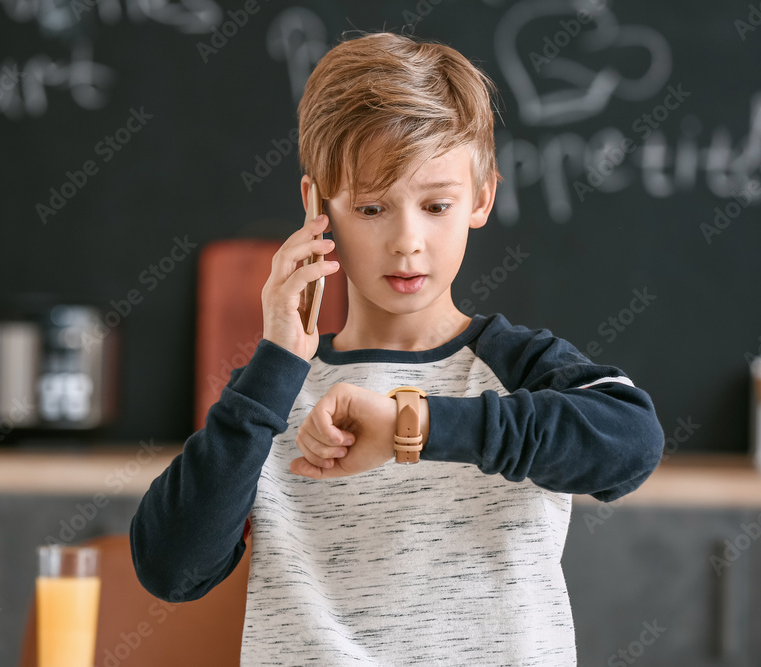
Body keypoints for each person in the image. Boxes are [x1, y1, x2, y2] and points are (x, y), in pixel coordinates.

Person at [130, 30, 665, 666]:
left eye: (436, 204)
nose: (408, 241)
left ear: (482, 197)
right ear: (316, 205)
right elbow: (170, 569)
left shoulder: (517, 367)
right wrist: (275, 363)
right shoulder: (273, 390)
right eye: (373, 207)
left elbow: (633, 443)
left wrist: (415, 425)